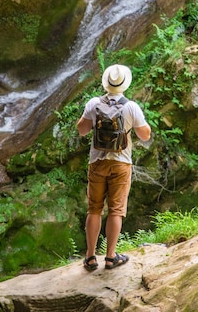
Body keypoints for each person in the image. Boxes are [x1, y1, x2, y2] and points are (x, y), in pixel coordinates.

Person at [77, 64, 151, 271]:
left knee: (94, 209)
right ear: (124, 84)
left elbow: (82, 130)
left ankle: (90, 257)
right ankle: (110, 257)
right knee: (116, 211)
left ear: (106, 82)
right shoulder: (131, 107)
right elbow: (145, 135)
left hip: (97, 163)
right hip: (121, 163)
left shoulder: (93, 104)